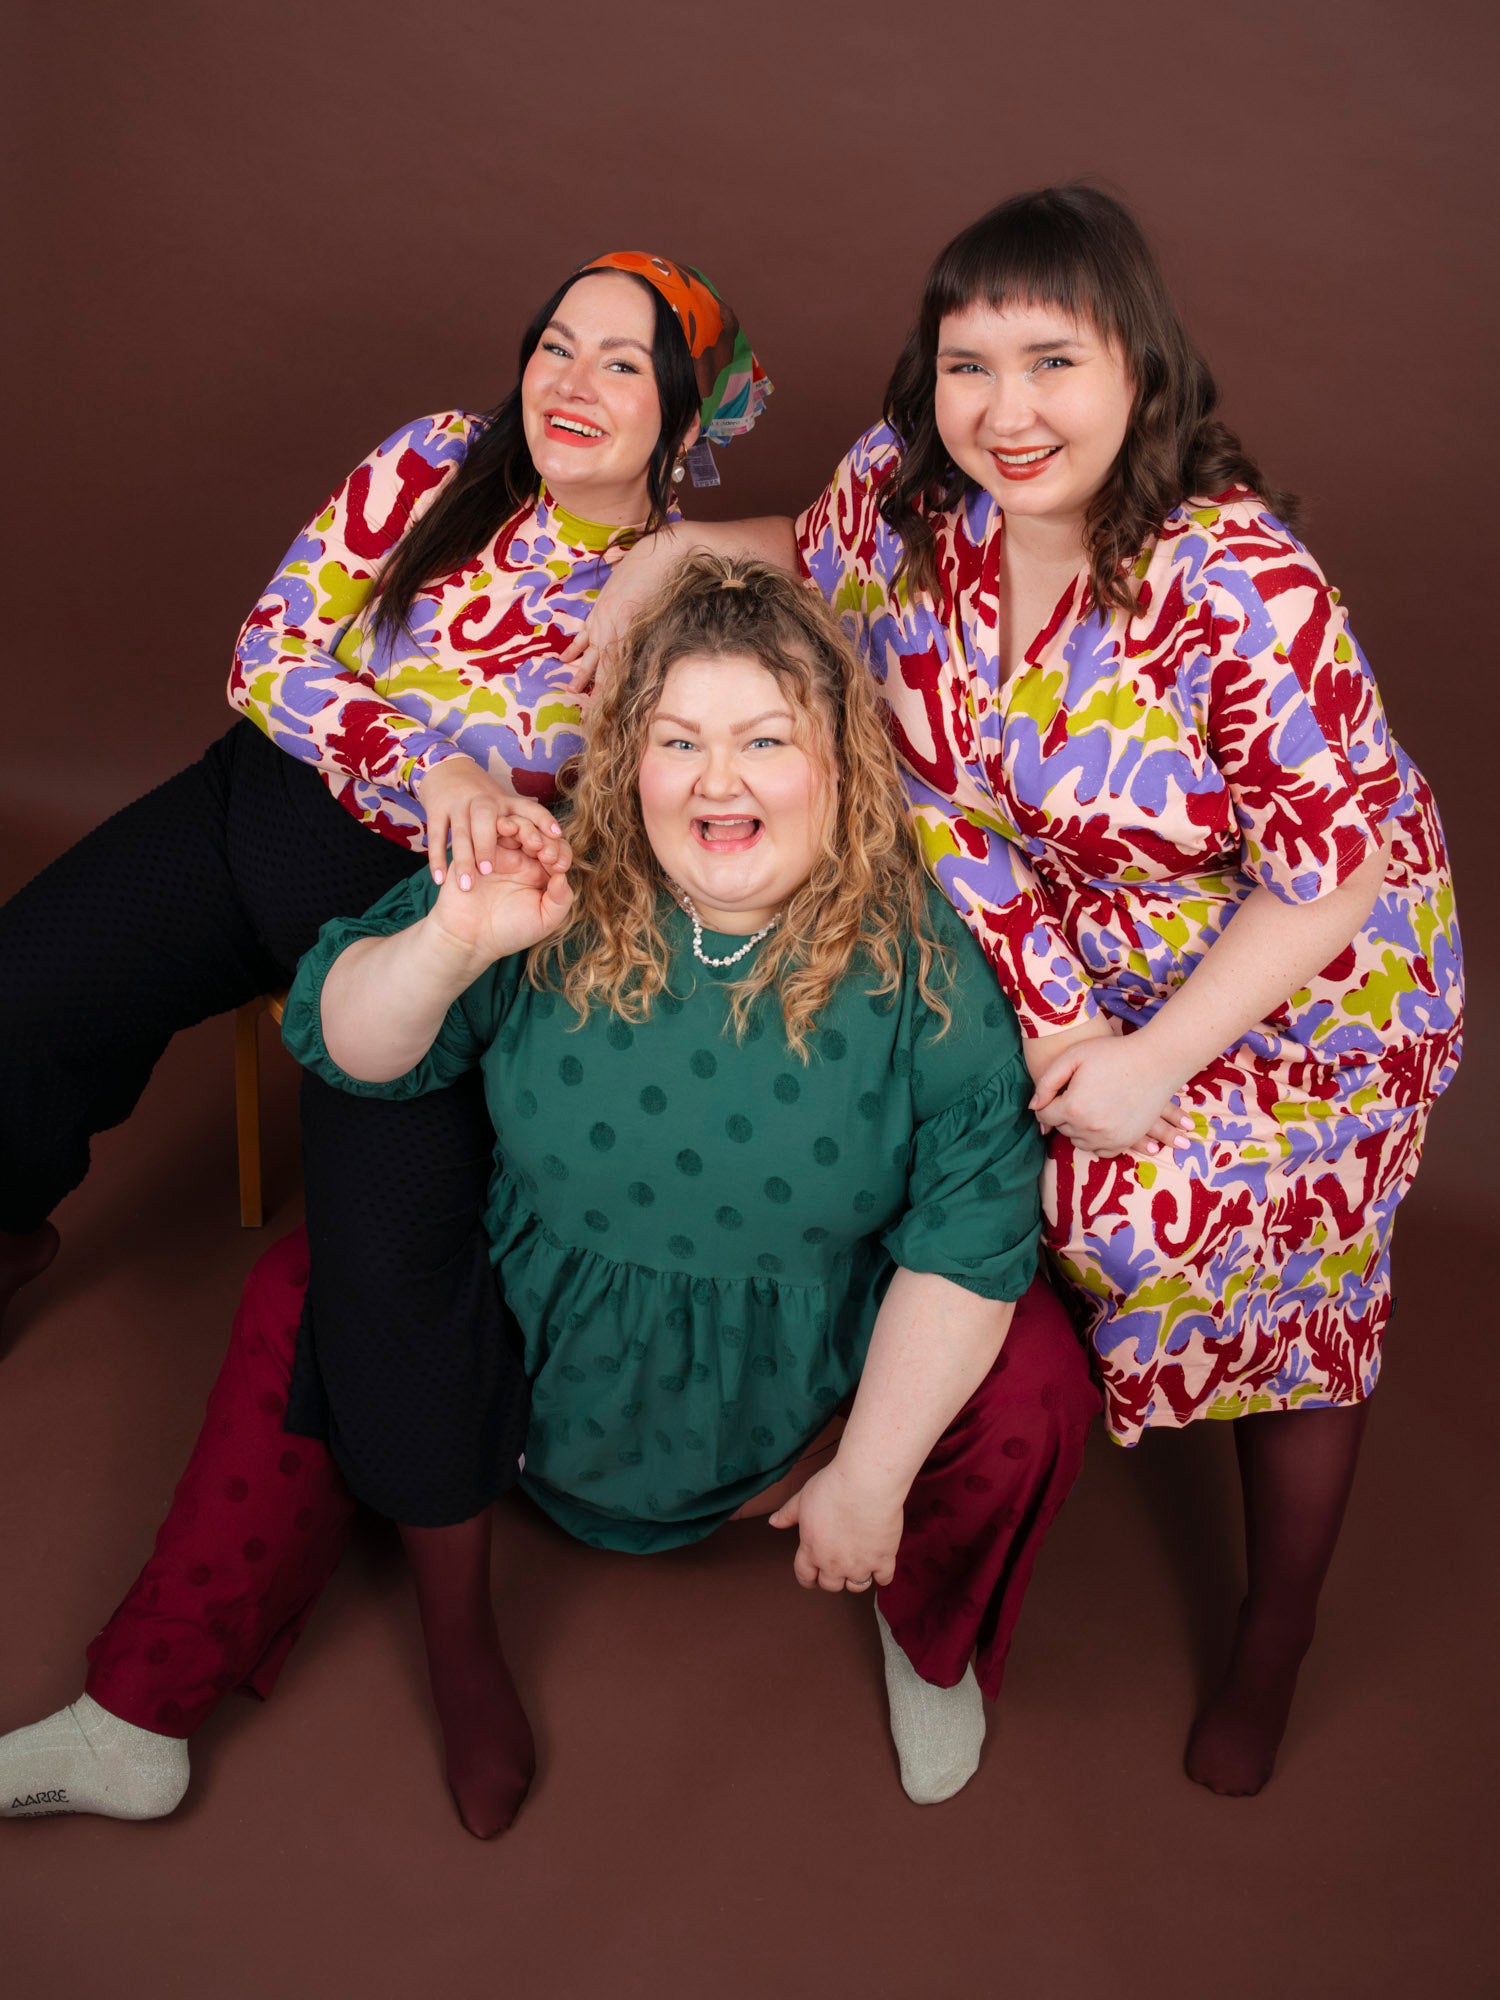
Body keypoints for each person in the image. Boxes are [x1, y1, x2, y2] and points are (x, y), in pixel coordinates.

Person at [576, 186, 1465, 1797]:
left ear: (1141, 365)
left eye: (1053, 361)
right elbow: (810, 558)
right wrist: (672, 556)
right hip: (1048, 944)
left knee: (1258, 1279)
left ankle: (1274, 1631)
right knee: (942, 1150)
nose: (1007, 411)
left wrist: (1154, 1060)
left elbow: (1333, 873)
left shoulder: (1237, 579)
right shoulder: (911, 494)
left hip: (1287, 986)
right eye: (967, 366)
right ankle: (882, 1436)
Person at [0, 558, 1098, 1838]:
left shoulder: (925, 957)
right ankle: (139, 1713)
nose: (719, 779)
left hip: (808, 1418)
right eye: (678, 740)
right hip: (518, 1376)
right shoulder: (555, 869)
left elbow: (969, 1233)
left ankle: (930, 1631)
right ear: (630, 757)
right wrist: (449, 943)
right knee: (304, 1287)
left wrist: (871, 1470)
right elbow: (354, 1046)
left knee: (1036, 1372)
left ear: (841, 762)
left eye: (764, 739)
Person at [0, 247, 767, 1539]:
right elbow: (267, 650)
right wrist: (433, 763)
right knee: (22, 986)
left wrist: (684, 558)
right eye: (555, 346)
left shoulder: (684, 595)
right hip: (259, 814)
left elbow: (859, 559)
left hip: (426, 935)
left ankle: (444, 1576)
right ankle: (8, 1228)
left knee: (397, 1258)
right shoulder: (437, 458)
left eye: (623, 364)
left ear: (685, 421)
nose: (571, 383)